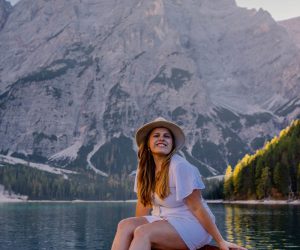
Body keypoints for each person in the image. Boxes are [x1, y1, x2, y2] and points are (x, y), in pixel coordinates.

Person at [111, 117, 247, 250]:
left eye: (166, 136)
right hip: (162, 220)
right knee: (125, 225)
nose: (161, 138)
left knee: (143, 232)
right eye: (156, 135)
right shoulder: (144, 168)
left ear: (172, 144)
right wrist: (136, 228)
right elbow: (144, 202)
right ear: (147, 143)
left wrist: (220, 241)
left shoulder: (179, 166)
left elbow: (197, 207)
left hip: (192, 224)